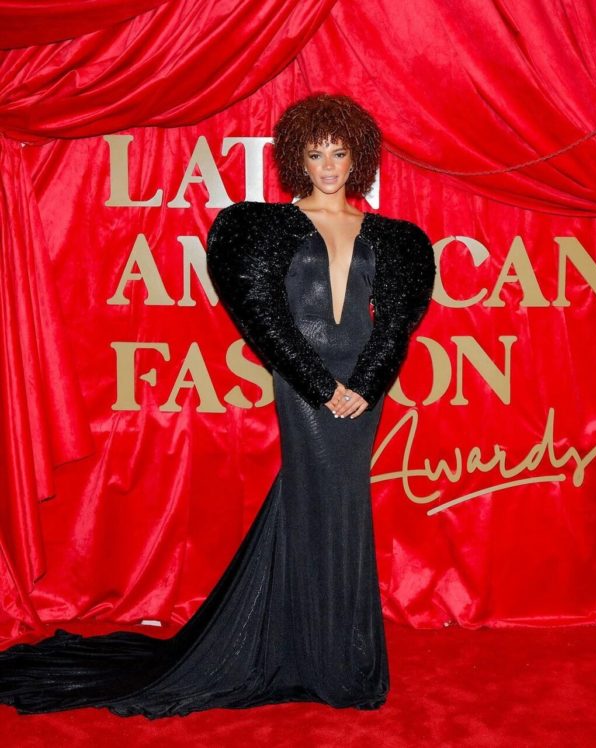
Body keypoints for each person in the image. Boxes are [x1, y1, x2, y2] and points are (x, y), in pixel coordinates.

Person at [0, 93, 436, 718]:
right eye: (316, 154)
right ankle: (330, 657)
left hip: (363, 383)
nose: (329, 166)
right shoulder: (267, 226)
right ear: (298, 159)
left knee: (336, 501)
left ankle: (320, 648)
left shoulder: (392, 238)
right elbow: (264, 321)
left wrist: (364, 385)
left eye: (340, 153)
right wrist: (321, 387)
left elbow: (394, 326)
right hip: (305, 380)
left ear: (358, 157)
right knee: (319, 494)